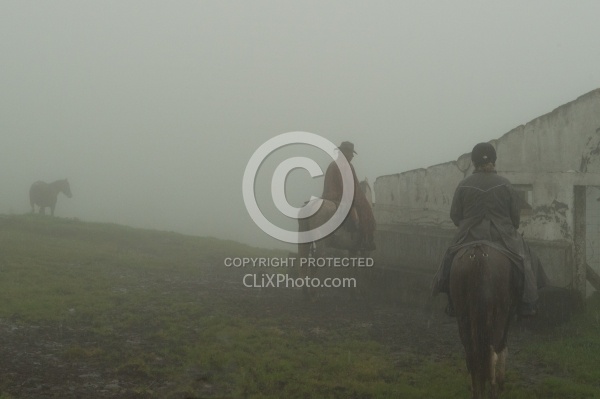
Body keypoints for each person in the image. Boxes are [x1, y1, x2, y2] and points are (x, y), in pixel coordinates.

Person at [431, 142, 548, 317]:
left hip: (469, 235)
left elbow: (455, 216)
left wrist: (467, 224)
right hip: (502, 235)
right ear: (493, 161)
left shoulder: (464, 185)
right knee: (526, 259)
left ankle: (449, 298)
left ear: (474, 162)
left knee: (449, 258)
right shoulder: (505, 184)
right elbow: (515, 219)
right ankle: (529, 302)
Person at [321, 141, 376, 252]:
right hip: (340, 197)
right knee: (366, 211)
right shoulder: (347, 166)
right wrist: (361, 199)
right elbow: (351, 186)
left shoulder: (332, 164)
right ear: (345, 152)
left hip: (327, 196)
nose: (352, 156)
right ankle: (366, 240)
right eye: (350, 153)